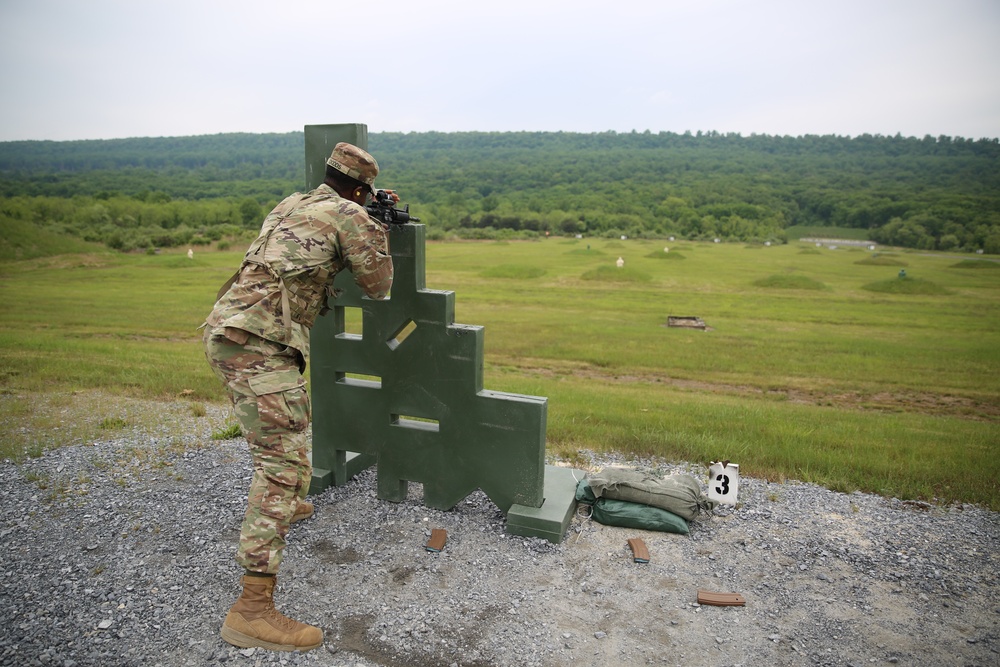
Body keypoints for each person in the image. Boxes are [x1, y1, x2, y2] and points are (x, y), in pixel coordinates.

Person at [202, 142, 393, 652]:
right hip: (259, 346)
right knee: (284, 468)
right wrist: (378, 232)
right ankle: (251, 612)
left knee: (277, 449)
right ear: (360, 189)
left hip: (230, 332)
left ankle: (282, 505)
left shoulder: (292, 203)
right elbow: (377, 286)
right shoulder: (351, 214)